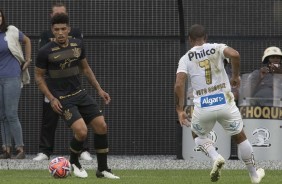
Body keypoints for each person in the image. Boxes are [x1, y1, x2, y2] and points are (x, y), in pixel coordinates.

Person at [174, 24, 265, 183]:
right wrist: (236, 76)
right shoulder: (216, 48)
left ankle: (216, 157)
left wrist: (180, 110)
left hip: (203, 105)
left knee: (196, 135)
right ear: (206, 37)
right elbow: (235, 55)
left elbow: (179, 84)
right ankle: (254, 175)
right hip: (225, 102)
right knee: (240, 137)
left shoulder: (185, 58)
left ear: (190, 40)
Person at [35, 13, 119, 179]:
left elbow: (86, 69)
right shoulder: (44, 52)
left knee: (102, 126)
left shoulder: (77, 45)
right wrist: (52, 98)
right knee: (81, 132)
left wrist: (100, 90)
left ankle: (102, 169)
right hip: (62, 99)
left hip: (80, 94)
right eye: (56, 29)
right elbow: (38, 77)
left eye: (63, 29)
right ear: (52, 30)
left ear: (68, 29)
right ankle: (74, 161)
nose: (60, 32)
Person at [33, 2, 93, 161]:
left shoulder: (77, 34)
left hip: (72, 86)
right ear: (51, 17)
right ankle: (45, 151)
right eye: (56, 13)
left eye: (62, 13)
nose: (60, 32)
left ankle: (83, 150)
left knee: (81, 118)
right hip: (53, 86)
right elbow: (41, 66)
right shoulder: (45, 35)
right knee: (49, 119)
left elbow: (82, 62)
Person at [0, 9, 32, 159]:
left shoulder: (11, 30)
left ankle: (20, 149)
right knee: (2, 115)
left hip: (12, 76)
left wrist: (28, 60)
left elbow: (27, 41)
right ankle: (6, 149)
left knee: (11, 113)